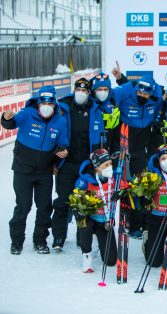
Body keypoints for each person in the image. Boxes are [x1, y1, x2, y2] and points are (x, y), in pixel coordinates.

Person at [2, 85, 69, 254]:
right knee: (23, 206)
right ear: (38, 104)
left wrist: (62, 151)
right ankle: (16, 241)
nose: (46, 107)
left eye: (50, 104)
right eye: (42, 103)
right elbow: (11, 124)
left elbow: (63, 142)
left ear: (55, 104)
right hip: (23, 170)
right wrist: (6, 118)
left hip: (44, 171)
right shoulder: (26, 114)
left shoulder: (60, 121)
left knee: (44, 207)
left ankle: (40, 240)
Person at [51, 78, 107, 251]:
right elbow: (52, 136)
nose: (80, 93)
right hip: (66, 164)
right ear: (74, 90)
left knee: (86, 202)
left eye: (84, 91)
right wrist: (55, 159)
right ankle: (59, 237)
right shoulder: (62, 108)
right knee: (63, 201)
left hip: (87, 165)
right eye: (78, 90)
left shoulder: (96, 108)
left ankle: (81, 237)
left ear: (89, 93)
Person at [113, 75, 165, 239]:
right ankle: (117, 221)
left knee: (140, 187)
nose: (142, 96)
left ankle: (137, 225)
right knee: (121, 185)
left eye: (146, 95)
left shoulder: (155, 101)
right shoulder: (126, 98)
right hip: (122, 145)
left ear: (151, 95)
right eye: (140, 93)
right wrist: (122, 79)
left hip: (141, 149)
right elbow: (112, 93)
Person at [74, 149, 123, 272]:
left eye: (110, 164)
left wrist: (122, 193)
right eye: (106, 165)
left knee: (111, 261)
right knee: (84, 222)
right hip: (90, 218)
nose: (109, 167)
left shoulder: (115, 178)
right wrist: (77, 211)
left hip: (104, 221)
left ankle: (97, 241)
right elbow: (75, 201)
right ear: (96, 167)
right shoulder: (85, 180)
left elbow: (128, 186)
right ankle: (87, 255)